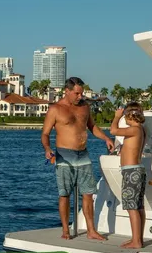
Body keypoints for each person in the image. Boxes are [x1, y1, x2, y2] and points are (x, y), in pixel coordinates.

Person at [42, 77, 115, 240]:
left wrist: (106, 138)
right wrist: (47, 149)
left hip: (83, 155)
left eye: (81, 93)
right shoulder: (55, 109)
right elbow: (45, 133)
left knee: (88, 193)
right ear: (66, 91)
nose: (80, 96)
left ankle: (91, 231)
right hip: (64, 156)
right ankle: (65, 230)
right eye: (76, 93)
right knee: (64, 194)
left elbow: (92, 127)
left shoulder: (85, 107)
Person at [110, 103, 147, 248]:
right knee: (138, 206)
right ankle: (138, 239)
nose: (123, 118)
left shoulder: (134, 130)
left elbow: (113, 130)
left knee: (132, 207)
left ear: (131, 115)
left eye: (125, 116)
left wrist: (116, 117)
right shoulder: (142, 130)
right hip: (137, 169)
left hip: (131, 171)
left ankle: (136, 241)